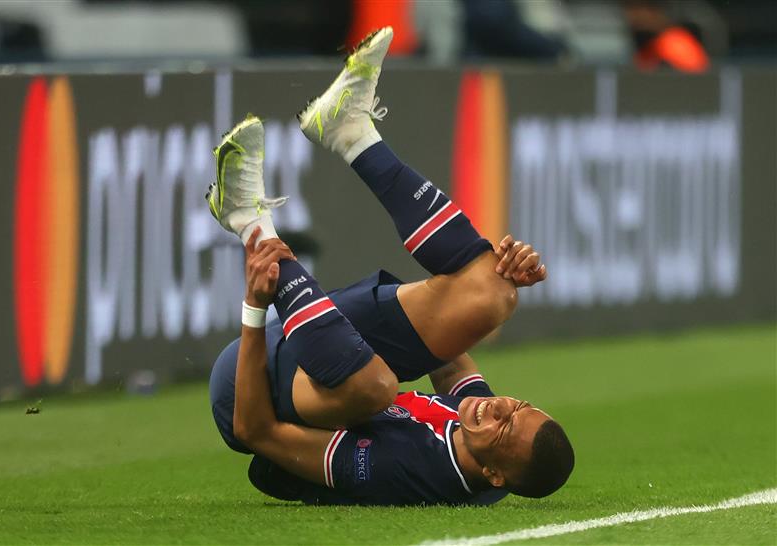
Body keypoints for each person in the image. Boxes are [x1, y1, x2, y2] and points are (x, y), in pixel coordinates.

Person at [208, 27, 574, 505]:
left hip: (253, 387)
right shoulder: (475, 427)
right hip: (338, 358)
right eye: (517, 406)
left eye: (504, 427)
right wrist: (495, 273)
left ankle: (249, 222)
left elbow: (255, 433)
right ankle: (351, 132)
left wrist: (255, 309)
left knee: (377, 387)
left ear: (494, 474)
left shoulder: (405, 470)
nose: (497, 406)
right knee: (494, 297)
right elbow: (449, 359)